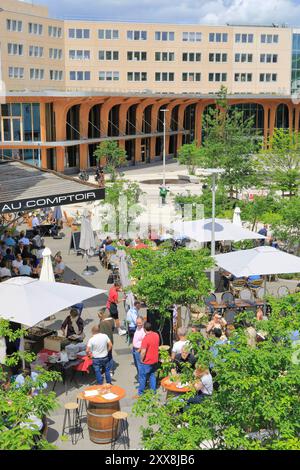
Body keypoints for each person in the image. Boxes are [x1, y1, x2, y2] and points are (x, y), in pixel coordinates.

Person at [137, 322, 160, 397]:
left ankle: (141, 393)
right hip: (155, 360)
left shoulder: (146, 339)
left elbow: (143, 352)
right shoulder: (156, 335)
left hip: (147, 361)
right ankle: (153, 391)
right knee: (152, 375)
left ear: (144, 329)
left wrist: (141, 359)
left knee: (142, 377)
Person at [98, 310, 115, 375]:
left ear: (103, 315)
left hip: (104, 342)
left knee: (104, 356)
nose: (98, 316)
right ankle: (110, 370)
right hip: (110, 340)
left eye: (99, 315)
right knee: (110, 355)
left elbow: (101, 332)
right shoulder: (112, 321)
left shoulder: (102, 322)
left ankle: (105, 369)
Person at [132, 316, 146, 381]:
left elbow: (144, 342)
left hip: (138, 350)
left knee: (140, 366)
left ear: (143, 322)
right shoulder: (137, 328)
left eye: (140, 323)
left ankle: (142, 381)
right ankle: (140, 379)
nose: (138, 324)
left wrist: (139, 350)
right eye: (137, 323)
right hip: (134, 349)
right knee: (137, 365)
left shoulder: (143, 331)